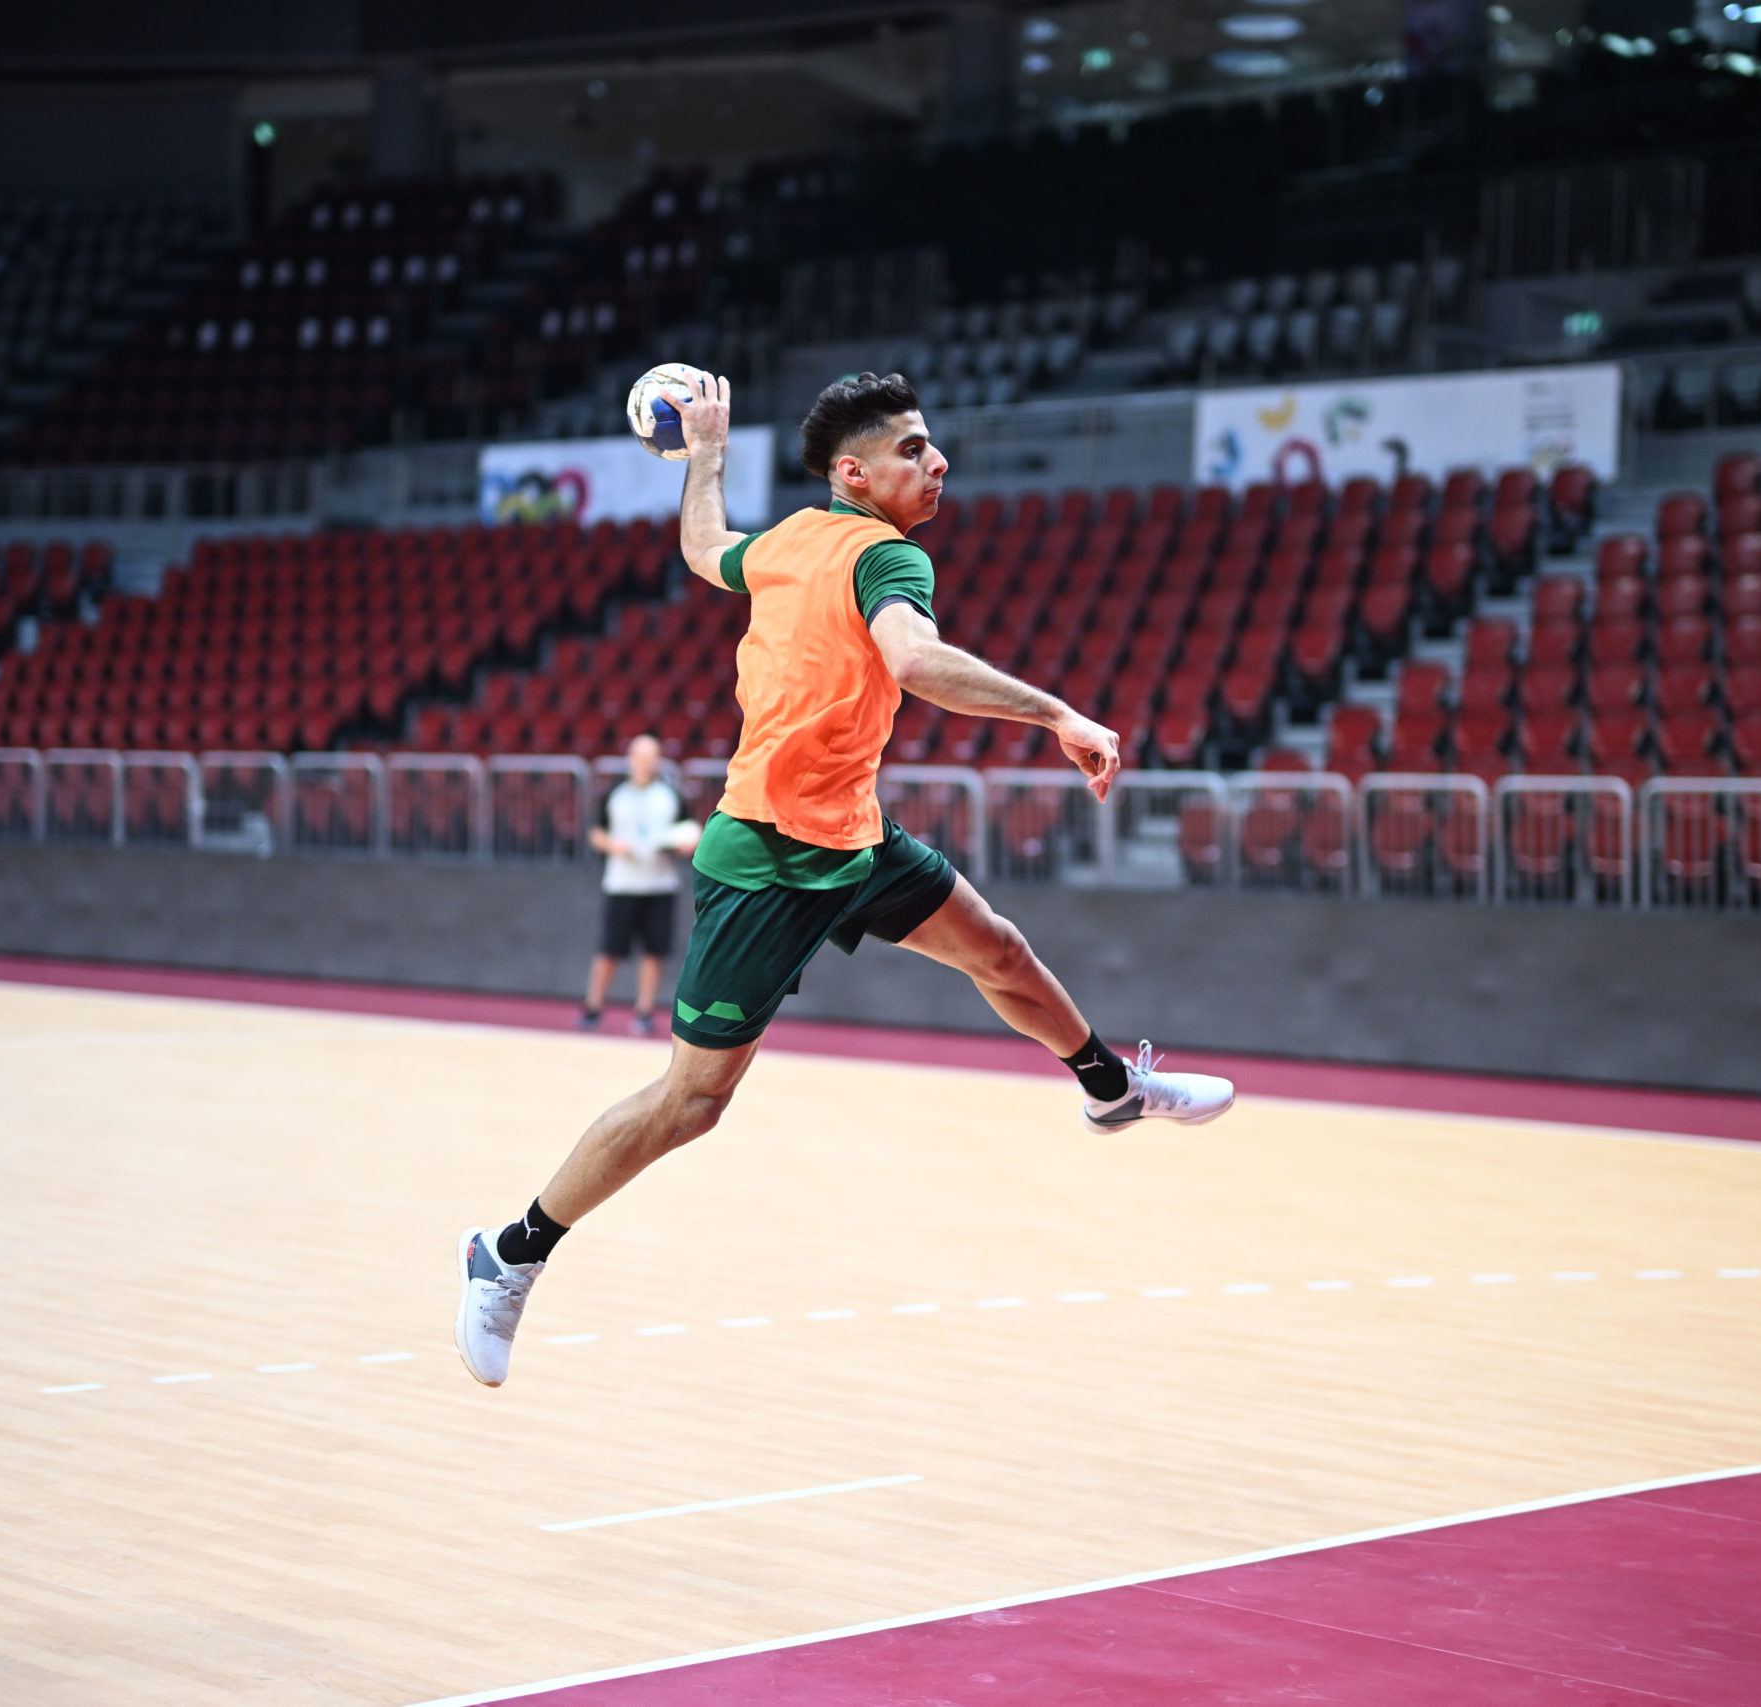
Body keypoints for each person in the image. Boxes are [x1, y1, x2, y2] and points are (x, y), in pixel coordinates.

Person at [454, 371, 1234, 1386]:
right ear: (854, 474)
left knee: (998, 949)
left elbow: (703, 548)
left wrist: (707, 458)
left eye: (930, 444)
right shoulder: (886, 556)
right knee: (692, 1103)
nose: (938, 461)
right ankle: (508, 1253)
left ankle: (1111, 1088)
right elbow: (915, 662)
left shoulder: (787, 541)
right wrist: (1056, 714)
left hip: (852, 838)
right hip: (765, 861)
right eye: (912, 449)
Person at [580, 732, 700, 1036]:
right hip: (622, 883)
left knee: (653, 951)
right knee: (610, 949)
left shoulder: (670, 794)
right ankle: (593, 1008)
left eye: (652, 757)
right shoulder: (615, 793)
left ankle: (644, 1012)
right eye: (640, 756)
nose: (646, 762)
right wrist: (612, 845)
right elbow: (595, 832)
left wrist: (684, 844)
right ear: (630, 759)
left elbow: (688, 830)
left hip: (659, 884)